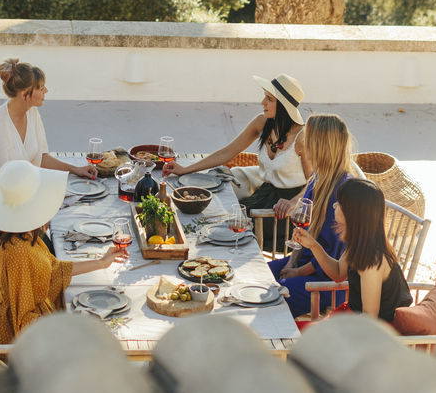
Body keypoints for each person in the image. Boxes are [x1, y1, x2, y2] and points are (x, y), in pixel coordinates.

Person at [0, 159, 127, 344]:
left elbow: (54, 270)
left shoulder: (23, 235)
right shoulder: (19, 252)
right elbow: (24, 320)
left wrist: (101, 263)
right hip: (12, 345)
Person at [165, 73, 310, 224]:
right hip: (263, 196)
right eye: (264, 96)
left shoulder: (302, 138)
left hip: (285, 211)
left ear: (283, 106)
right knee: (217, 220)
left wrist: (294, 202)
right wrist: (185, 169)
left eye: (269, 99)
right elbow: (227, 152)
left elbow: (315, 181)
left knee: (232, 228)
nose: (262, 102)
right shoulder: (262, 122)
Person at [0, 58, 98, 209]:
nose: (46, 91)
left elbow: (41, 157)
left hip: (23, 199)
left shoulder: (32, 113)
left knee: (83, 202)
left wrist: (75, 169)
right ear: (24, 95)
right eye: (41, 88)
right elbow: (2, 183)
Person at [268, 114, 356, 316]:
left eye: (308, 140)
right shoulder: (318, 177)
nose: (303, 145)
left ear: (320, 146)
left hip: (326, 280)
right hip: (303, 262)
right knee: (254, 278)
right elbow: (305, 231)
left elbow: (333, 257)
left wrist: (297, 272)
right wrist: (291, 261)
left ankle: (276, 343)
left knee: (270, 298)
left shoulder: (342, 191)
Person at [296, 176, 412, 323]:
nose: (334, 206)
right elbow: (338, 273)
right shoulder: (360, 244)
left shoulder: (372, 261)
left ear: (352, 213)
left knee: (301, 337)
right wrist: (313, 245)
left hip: (375, 334)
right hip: (355, 320)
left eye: (339, 203)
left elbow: (369, 319)